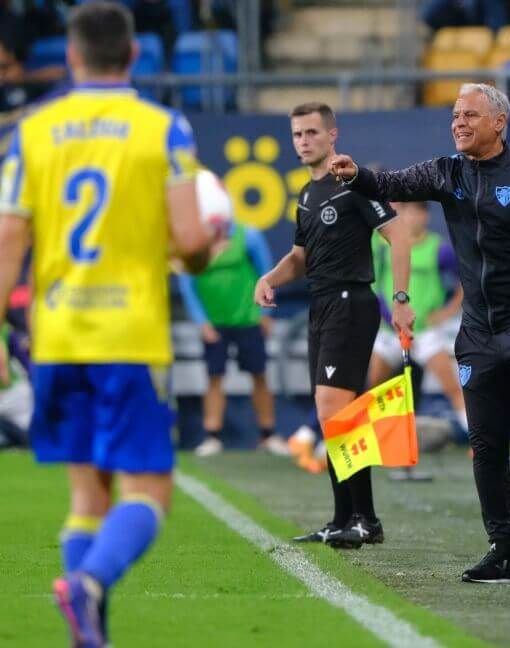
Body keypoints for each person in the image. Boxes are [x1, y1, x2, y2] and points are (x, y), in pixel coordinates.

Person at [0, 3, 216, 646]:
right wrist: (205, 242)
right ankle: (88, 584)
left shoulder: (31, 130)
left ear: (69, 57)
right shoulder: (162, 128)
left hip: (58, 335)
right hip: (130, 335)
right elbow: (189, 241)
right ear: (133, 56)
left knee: (86, 497)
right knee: (150, 490)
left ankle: (88, 634)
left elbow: (9, 241)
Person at [330, 82, 510, 585]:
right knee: (485, 442)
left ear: (499, 122)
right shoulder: (447, 172)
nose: (458, 123)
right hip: (477, 334)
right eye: (454, 116)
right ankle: (501, 548)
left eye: (469, 115)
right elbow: (389, 182)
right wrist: (356, 176)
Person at [254, 102, 415, 549]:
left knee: (336, 410)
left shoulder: (352, 182)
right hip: (321, 304)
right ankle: (344, 518)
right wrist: (270, 278)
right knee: (334, 416)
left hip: (352, 301)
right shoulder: (307, 195)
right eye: (297, 135)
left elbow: (398, 234)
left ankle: (365, 518)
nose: (303, 141)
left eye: (311, 133)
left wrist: (400, 300)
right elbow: (300, 259)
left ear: (332, 135)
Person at [178, 220, 289, 457]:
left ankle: (268, 434)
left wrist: (265, 313)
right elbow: (187, 284)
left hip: (249, 318)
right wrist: (201, 321)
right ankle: (212, 437)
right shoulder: (194, 241)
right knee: (214, 377)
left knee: (259, 375)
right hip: (214, 322)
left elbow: (267, 272)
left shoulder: (248, 236)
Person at [369, 201, 467, 432]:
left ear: (425, 216)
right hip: (390, 332)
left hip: (425, 332)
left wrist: (449, 310)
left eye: (416, 211)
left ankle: (478, 442)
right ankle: (370, 439)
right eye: (405, 210)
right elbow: (376, 285)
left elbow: (465, 279)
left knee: (453, 387)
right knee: (373, 387)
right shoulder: (384, 247)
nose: (410, 216)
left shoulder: (439, 249)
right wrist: (387, 315)